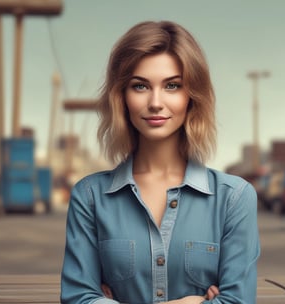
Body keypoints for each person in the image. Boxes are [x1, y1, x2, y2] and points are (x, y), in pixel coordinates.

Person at [61, 20, 260, 304]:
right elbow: (78, 298)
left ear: (192, 96)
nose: (155, 102)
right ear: (121, 97)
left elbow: (238, 301)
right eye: (140, 86)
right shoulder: (90, 197)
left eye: (172, 86)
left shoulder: (235, 198)